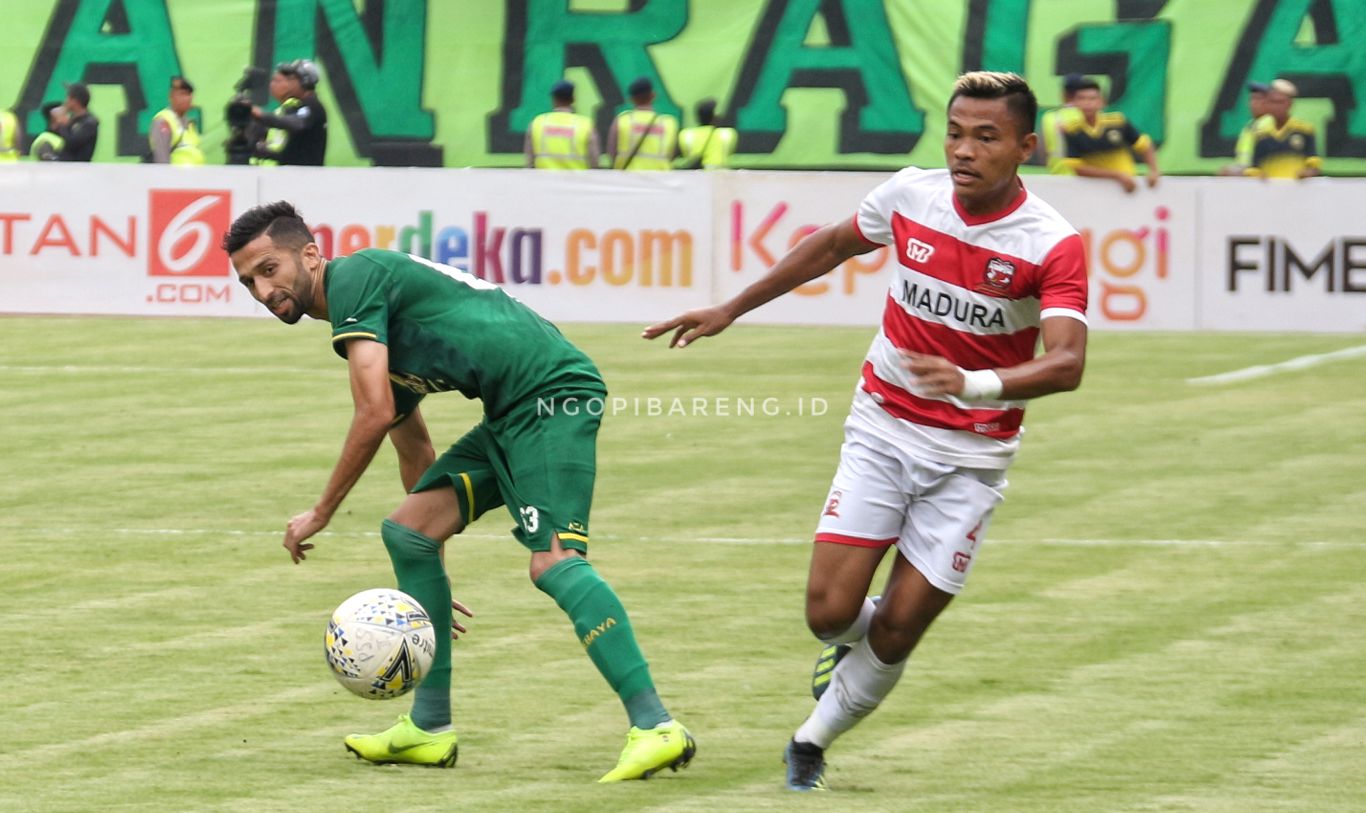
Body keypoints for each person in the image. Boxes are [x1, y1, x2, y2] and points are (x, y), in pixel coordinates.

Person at [643, 71, 1088, 792]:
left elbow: (1067, 362)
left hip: (972, 458)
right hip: (883, 427)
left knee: (898, 629)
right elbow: (830, 246)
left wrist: (971, 383)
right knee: (830, 615)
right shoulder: (912, 194)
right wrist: (732, 306)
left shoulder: (1051, 244)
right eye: (954, 131)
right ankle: (846, 654)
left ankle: (809, 742)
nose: (963, 150)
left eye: (986, 136)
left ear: (1026, 146)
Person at [220, 202, 695, 782]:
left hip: (550, 398)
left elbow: (370, 414)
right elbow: (412, 447)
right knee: (407, 532)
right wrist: (431, 582)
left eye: (269, 269)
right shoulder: (367, 318)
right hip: (513, 412)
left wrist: (321, 511)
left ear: (311, 256)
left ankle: (656, 726)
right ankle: (429, 728)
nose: (263, 289)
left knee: (555, 563)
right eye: (249, 281)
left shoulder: (357, 278)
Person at [1056, 77, 1160, 193]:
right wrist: (1117, 176)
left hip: (1127, 189)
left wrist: (1154, 170)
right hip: (1094, 191)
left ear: (1102, 102)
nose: (1087, 103)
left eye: (1092, 98)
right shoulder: (1072, 130)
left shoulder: (1118, 122)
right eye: (1082, 99)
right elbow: (1078, 168)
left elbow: (1144, 145)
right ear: (1074, 103)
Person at [251, 60, 327, 166]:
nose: (287, 84)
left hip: (305, 179)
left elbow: (296, 124)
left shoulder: (312, 106)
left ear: (304, 82)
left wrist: (260, 115)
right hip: (293, 175)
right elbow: (291, 155)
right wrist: (262, 151)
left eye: (290, 79)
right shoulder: (296, 106)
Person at [1245, 78, 1320, 179]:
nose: (1276, 107)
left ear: (1289, 104)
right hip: (1269, 192)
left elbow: (1313, 164)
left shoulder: (1304, 130)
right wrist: (1257, 175)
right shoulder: (1261, 134)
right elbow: (1254, 168)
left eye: (1280, 102)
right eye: (1272, 102)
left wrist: (1308, 172)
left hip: (1297, 191)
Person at [524, 79, 601, 169]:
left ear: (553, 98)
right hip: (577, 181)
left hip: (544, 181)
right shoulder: (586, 125)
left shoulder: (537, 123)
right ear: (573, 99)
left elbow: (529, 160)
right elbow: (594, 161)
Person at [606, 76, 677, 171]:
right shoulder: (669, 123)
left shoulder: (622, 120)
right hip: (660, 180)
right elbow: (672, 154)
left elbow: (611, 152)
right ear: (653, 95)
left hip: (627, 179)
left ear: (631, 99)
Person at [148, 76, 204, 165]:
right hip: (175, 178)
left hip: (194, 177)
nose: (186, 99)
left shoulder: (190, 124)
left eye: (188, 94)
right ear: (171, 96)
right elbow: (161, 159)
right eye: (181, 94)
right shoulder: (164, 121)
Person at [1222, 81, 1274, 176]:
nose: (1253, 103)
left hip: (1260, 176)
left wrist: (1239, 171)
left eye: (1258, 99)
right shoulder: (1251, 124)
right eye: (1251, 99)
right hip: (1247, 175)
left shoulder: (1269, 123)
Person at [1036, 73, 1085, 171]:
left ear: (1063, 93)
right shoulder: (1091, 117)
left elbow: (1042, 152)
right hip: (1087, 178)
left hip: (1057, 176)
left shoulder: (1049, 118)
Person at [676, 98, 737, 169]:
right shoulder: (728, 133)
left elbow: (685, 154)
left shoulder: (686, 134)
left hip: (696, 176)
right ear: (714, 117)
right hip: (719, 176)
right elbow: (729, 151)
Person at [59, 82, 99, 162]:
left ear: (75, 101)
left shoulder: (89, 123)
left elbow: (72, 143)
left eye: (68, 97)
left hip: (79, 171)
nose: (66, 101)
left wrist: (63, 125)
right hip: (65, 170)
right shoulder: (72, 120)